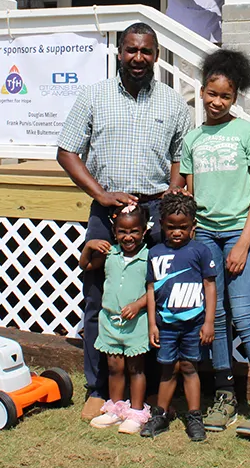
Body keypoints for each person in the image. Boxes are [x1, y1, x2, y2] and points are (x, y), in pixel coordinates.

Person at [56, 22, 193, 421]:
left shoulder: (172, 103)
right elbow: (66, 151)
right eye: (131, 50)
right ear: (119, 52)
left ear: (156, 55)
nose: (138, 58)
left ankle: (144, 393)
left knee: (158, 298)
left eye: (146, 52)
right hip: (108, 213)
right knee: (101, 299)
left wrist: (172, 194)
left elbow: (180, 158)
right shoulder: (93, 96)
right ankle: (98, 390)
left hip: (154, 216)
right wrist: (100, 194)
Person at [176, 49, 250, 439]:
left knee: (243, 315)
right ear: (202, 91)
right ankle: (224, 396)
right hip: (205, 235)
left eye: (225, 96)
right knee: (217, 318)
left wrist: (243, 243)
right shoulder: (192, 139)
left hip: (240, 235)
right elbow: (188, 194)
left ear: (235, 97)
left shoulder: (248, 133)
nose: (216, 101)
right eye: (211, 93)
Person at [140, 192, 217, 441]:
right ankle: (160, 415)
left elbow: (209, 286)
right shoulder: (155, 253)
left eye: (183, 227)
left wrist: (208, 322)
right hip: (166, 325)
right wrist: (152, 323)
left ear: (193, 227)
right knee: (167, 369)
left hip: (194, 324)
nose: (176, 232)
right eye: (171, 227)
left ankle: (194, 417)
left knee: (189, 366)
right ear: (162, 225)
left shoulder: (201, 252)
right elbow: (151, 289)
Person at [80, 204, 151, 435]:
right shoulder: (110, 253)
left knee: (136, 368)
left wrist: (138, 304)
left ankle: (137, 412)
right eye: (122, 232)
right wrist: (89, 246)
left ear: (144, 231)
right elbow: (86, 265)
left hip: (136, 321)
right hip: (110, 321)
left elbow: (155, 288)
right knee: (114, 366)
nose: (128, 237)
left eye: (134, 232)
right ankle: (116, 409)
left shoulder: (148, 256)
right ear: (114, 231)